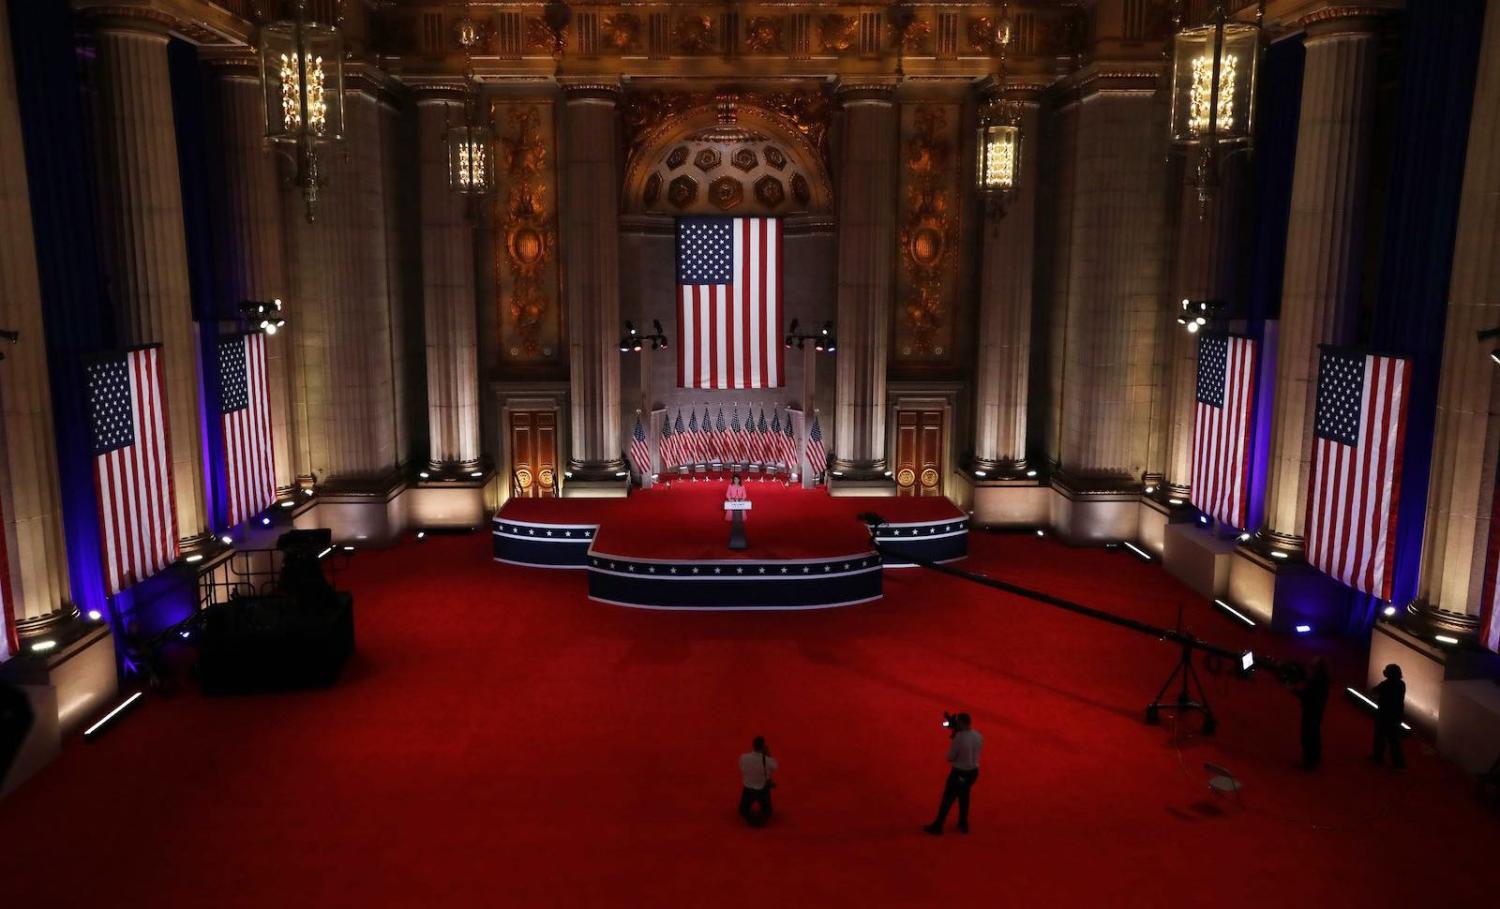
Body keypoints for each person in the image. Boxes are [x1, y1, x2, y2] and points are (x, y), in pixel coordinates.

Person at [925, 713, 982, 835]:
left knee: (948, 798)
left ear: (960, 723)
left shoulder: (959, 738)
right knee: (964, 796)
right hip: (973, 773)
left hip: (959, 773)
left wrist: (954, 736)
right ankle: (963, 823)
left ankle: (938, 825)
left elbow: (950, 757)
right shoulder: (978, 736)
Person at [1292, 657, 1331, 769]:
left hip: (1310, 710)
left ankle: (1309, 761)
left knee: (1308, 735)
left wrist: (1294, 691)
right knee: (1315, 734)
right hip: (1317, 710)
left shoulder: (1315, 681)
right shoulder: (1324, 679)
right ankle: (1315, 757)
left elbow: (1307, 695)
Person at [1371, 663, 1406, 770]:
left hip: (1384, 714)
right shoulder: (1401, 684)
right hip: (1396, 714)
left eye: (1387, 670)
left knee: (1381, 737)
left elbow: (1374, 690)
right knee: (1394, 740)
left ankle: (1378, 757)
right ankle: (1398, 763)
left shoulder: (1386, 684)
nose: (1384, 671)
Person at [737, 736, 777, 826]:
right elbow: (775, 766)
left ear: (753, 746)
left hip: (748, 790)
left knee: (743, 810)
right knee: (768, 811)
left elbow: (741, 767)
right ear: (763, 747)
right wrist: (768, 754)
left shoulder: (743, 757)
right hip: (762, 790)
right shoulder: (768, 760)